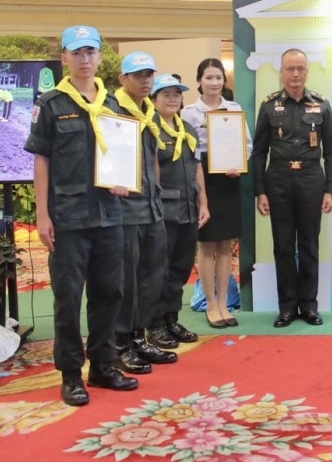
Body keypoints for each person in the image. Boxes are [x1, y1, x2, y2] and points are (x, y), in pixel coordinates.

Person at [23, 24, 137, 406]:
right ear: (64, 58)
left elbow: (123, 157)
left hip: (110, 215)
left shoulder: (113, 105)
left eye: (90, 52)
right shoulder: (51, 104)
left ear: (100, 57)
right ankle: (71, 373)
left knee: (110, 293)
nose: (85, 59)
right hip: (68, 218)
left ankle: (103, 365)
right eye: (77, 53)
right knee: (68, 299)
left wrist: (125, 182)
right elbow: (41, 160)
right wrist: (42, 215)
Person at [253, 49, 332, 327]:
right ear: (281, 72)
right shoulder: (269, 105)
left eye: (300, 69)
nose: (295, 74)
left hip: (311, 178)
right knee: (283, 245)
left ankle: (309, 306)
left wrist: (330, 189)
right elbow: (259, 152)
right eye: (290, 69)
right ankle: (287, 307)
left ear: (307, 72)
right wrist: (260, 191)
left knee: (309, 244)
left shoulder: (321, 105)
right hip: (278, 179)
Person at [112, 51, 176, 373]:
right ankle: (120, 344)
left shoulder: (149, 111)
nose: (145, 80)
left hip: (152, 207)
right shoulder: (111, 110)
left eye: (149, 74)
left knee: (153, 276)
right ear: (123, 78)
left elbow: (152, 159)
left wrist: (158, 193)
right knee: (126, 281)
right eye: (138, 75)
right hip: (125, 210)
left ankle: (139, 337)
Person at [181, 58, 252, 329]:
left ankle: (224, 303)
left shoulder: (234, 109)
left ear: (224, 80)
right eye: (209, 78)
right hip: (203, 180)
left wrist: (239, 164)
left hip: (229, 179)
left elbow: (247, 145)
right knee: (207, 245)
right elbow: (188, 151)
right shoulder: (189, 113)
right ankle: (210, 304)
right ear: (199, 81)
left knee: (226, 246)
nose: (214, 83)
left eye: (218, 77)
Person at [147, 73, 210, 348]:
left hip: (188, 209)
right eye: (166, 94)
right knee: (158, 269)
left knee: (181, 267)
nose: (172, 99)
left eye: (176, 94)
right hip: (163, 210)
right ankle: (155, 324)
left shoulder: (188, 129)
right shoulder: (150, 129)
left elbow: (197, 167)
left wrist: (203, 202)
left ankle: (172, 319)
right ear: (154, 99)